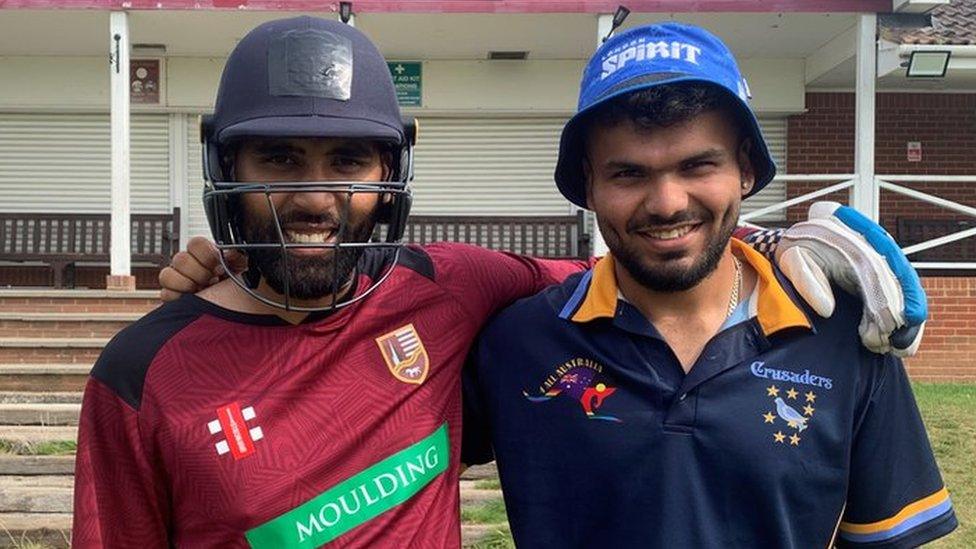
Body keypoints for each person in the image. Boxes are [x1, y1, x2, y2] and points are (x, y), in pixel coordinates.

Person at [81, 16, 926, 548]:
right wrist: (204, 303)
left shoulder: (452, 288)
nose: (312, 196)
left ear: (389, 176)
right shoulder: (137, 375)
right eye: (276, 159)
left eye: (348, 161)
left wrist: (780, 244)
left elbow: (653, 260)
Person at [461, 22, 956, 548]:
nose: (668, 202)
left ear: (745, 168)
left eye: (698, 165)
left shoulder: (842, 337)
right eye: (628, 174)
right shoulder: (519, 341)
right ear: (589, 184)